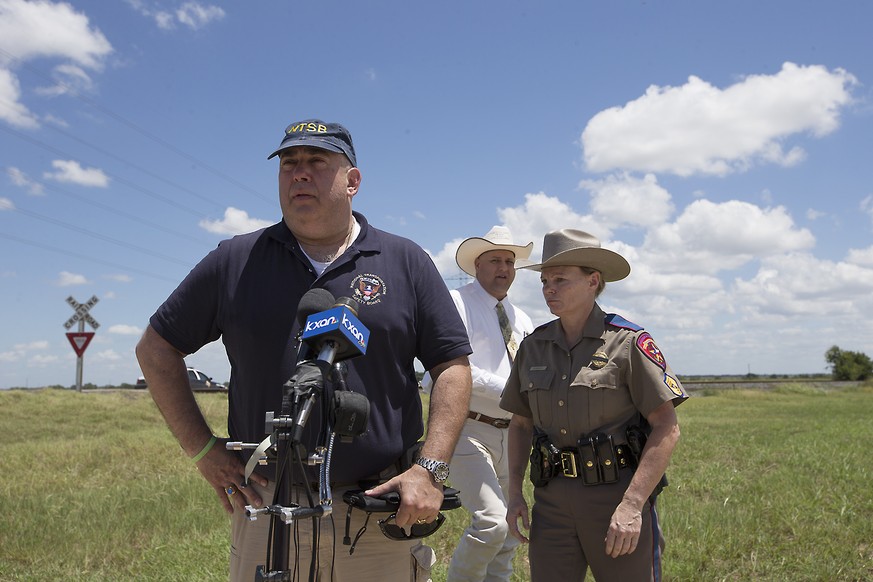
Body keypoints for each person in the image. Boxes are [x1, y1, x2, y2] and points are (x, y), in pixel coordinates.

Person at [136, 119, 472, 582]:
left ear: (352, 181)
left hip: (376, 511)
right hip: (268, 509)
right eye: (289, 164)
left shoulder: (404, 261)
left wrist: (429, 469)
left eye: (317, 162)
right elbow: (156, 349)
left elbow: (451, 365)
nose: (299, 173)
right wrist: (203, 449)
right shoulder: (236, 260)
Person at [499, 229, 687, 581]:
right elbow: (521, 425)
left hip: (615, 499)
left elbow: (667, 426)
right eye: (544, 281)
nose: (548, 289)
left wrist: (632, 504)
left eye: (560, 280)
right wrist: (514, 495)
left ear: (593, 281)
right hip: (551, 501)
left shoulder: (628, 343)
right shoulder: (533, 347)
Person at [442, 226, 535, 582]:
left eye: (510, 261)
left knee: (510, 531)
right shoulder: (457, 303)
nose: (504, 267)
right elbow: (449, 372)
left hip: (512, 434)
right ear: (476, 266)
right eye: (495, 259)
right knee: (492, 522)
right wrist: (515, 395)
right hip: (467, 427)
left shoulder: (522, 318)